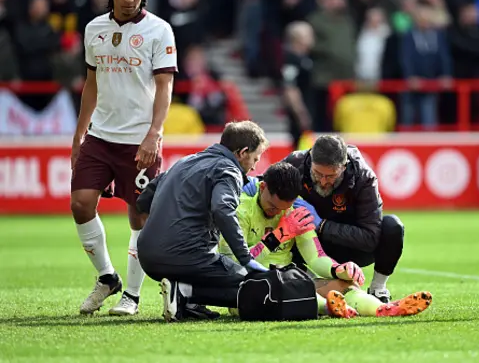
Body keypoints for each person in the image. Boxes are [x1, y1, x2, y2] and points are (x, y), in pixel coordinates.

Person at [70, 0, 177, 316]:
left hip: (139, 140)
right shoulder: (93, 29)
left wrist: (154, 133)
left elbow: (165, 87)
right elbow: (91, 84)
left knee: (139, 217)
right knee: (81, 203)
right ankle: (107, 277)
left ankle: (132, 295)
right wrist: (79, 134)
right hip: (100, 136)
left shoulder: (159, 30)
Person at [230, 162, 432, 319]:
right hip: (248, 289)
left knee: (345, 284)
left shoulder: (295, 210)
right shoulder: (240, 210)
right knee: (293, 288)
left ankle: (383, 309)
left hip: (291, 281)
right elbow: (232, 263)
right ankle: (329, 307)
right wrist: (276, 237)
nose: (278, 212)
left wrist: (339, 269)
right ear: (262, 187)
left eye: (284, 208)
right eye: (273, 207)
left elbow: (316, 257)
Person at [136, 121, 286, 322]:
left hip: (147, 255)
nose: (254, 167)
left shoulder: (184, 161)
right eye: (255, 158)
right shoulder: (228, 170)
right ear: (242, 152)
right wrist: (245, 258)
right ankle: (185, 293)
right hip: (186, 256)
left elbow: (143, 200)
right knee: (257, 286)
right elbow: (222, 209)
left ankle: (188, 301)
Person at [245, 135, 404, 303]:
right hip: (308, 245)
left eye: (330, 176)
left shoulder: (364, 178)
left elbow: (370, 239)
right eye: (317, 173)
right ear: (311, 160)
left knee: (392, 226)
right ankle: (308, 281)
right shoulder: (297, 162)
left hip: (352, 248)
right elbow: (269, 181)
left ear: (343, 167)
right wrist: (252, 183)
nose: (322, 181)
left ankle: (378, 289)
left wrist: (322, 225)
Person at [280, 21, 314, 150]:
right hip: (299, 115)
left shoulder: (306, 58)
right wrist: (301, 113)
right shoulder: (291, 59)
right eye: (309, 35)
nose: (312, 38)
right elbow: (290, 88)